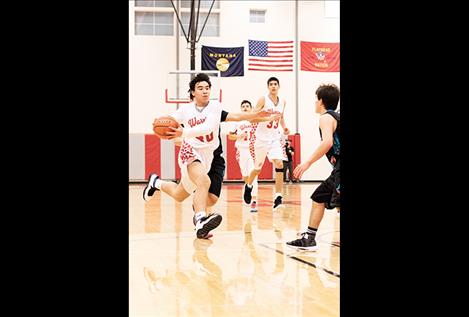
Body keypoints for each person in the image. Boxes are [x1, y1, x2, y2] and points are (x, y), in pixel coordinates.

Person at [143, 73, 277, 239]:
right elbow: (171, 120)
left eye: (207, 88)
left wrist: (255, 115)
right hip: (191, 151)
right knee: (203, 182)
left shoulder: (215, 107)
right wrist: (160, 124)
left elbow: (224, 121)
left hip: (213, 156)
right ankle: (200, 221)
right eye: (200, 88)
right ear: (193, 93)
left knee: (191, 196)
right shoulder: (185, 110)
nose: (205, 91)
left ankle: (156, 182)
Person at [286, 84, 340, 250]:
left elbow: (327, 142)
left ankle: (309, 238)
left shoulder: (326, 117)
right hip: (338, 168)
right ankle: (309, 238)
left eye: (316, 100)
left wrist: (307, 162)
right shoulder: (336, 117)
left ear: (321, 101)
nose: (314, 103)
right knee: (319, 197)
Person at [243, 77, 290, 211]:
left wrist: (284, 127)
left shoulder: (283, 101)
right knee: (258, 169)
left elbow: (281, 117)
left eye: (275, 84)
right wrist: (268, 118)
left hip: (274, 137)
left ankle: (278, 197)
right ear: (268, 87)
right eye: (271, 84)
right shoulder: (263, 99)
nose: (273, 86)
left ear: (278, 86)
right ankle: (248, 186)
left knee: (280, 163)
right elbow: (251, 118)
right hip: (260, 138)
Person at [228, 100, 259, 212]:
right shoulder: (237, 122)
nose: (245, 108)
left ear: (251, 108)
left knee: (253, 176)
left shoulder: (255, 121)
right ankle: (248, 189)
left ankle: (254, 201)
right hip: (241, 151)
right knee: (246, 177)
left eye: (247, 106)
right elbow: (230, 137)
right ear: (241, 109)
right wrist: (238, 136)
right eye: (243, 106)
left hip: (252, 151)